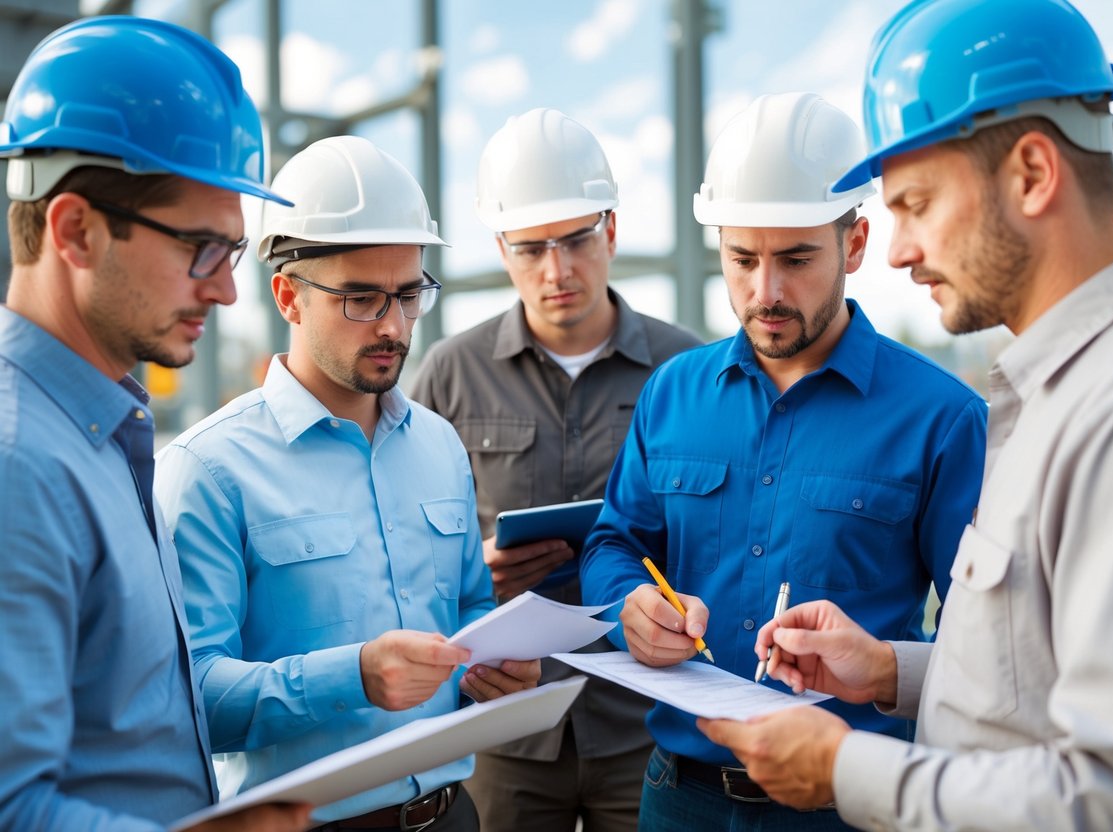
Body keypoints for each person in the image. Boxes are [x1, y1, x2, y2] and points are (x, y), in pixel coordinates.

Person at [698, 2, 1113, 830]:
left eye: (916, 204)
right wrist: (884, 672)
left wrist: (843, 767)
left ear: (1033, 174)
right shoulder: (1064, 390)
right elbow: (1042, 688)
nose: (896, 251)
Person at [579, 91, 988, 831]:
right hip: (678, 798)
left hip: (846, 807)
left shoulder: (942, 418)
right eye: (742, 259)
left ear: (854, 245)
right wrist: (625, 609)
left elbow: (988, 644)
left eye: (795, 259)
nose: (764, 292)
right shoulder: (673, 393)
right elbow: (617, 543)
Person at [153, 135, 541, 832]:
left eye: (408, 294)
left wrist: (494, 670)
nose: (393, 325)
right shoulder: (208, 470)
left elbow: (469, 613)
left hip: (454, 814)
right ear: (287, 297)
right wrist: (352, 677)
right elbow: (188, 699)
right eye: (361, 299)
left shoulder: (438, 444)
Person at [0, 16, 311, 832]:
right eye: (201, 248)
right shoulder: (18, 466)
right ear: (74, 230)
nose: (227, 291)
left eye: (233, 253)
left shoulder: (102, 431)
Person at [410, 107, 701, 832]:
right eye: (531, 247)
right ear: (501, 248)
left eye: (575, 240)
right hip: (504, 726)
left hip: (645, 718)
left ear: (611, 228)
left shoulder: (685, 370)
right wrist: (473, 575)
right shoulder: (450, 373)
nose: (557, 270)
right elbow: (405, 544)